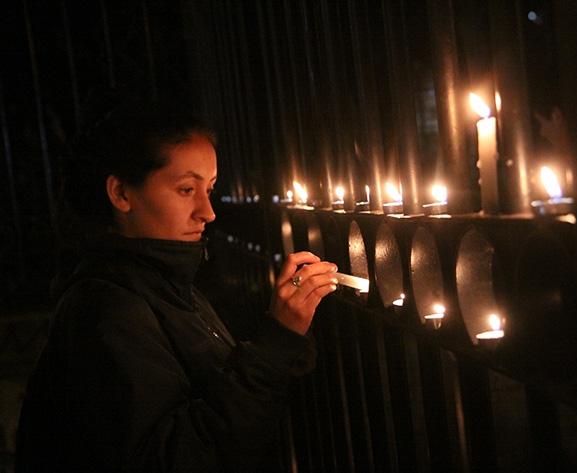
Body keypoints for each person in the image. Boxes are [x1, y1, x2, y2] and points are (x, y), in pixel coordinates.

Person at [14, 98, 338, 472]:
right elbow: (174, 458)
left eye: (210, 189)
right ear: (121, 193)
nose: (208, 211)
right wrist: (276, 341)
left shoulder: (160, 283)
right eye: (186, 190)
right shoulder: (107, 308)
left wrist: (279, 335)